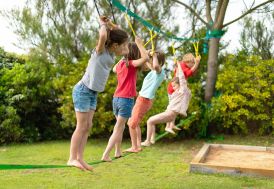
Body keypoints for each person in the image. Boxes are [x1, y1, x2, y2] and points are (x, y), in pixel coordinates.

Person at [67, 16, 129, 171]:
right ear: (115, 44)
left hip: (93, 93)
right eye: (123, 45)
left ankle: (80, 158)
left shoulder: (113, 54)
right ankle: (72, 158)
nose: (125, 48)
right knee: (81, 126)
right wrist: (103, 24)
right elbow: (102, 36)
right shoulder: (100, 51)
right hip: (83, 90)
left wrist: (112, 25)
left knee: (88, 126)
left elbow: (124, 43)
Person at [101, 36, 149, 162]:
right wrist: (140, 44)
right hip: (125, 100)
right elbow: (145, 58)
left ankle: (117, 151)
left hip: (116, 99)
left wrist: (123, 57)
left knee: (120, 127)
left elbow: (113, 68)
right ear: (135, 54)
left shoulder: (121, 64)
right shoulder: (131, 64)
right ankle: (106, 154)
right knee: (118, 128)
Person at [141, 60, 192, 147]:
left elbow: (182, 78)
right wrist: (177, 68)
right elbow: (178, 78)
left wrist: (179, 65)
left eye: (174, 86)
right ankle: (152, 139)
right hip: (170, 114)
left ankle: (147, 141)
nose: (173, 88)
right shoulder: (178, 92)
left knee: (150, 121)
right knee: (151, 121)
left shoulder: (182, 91)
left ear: (180, 85)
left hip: (170, 113)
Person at [125, 50, 166, 153]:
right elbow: (147, 62)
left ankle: (135, 147)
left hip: (144, 100)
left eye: (153, 60)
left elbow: (155, 66)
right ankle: (138, 145)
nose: (151, 63)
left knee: (131, 124)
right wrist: (146, 54)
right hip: (142, 99)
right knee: (135, 123)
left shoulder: (159, 72)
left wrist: (155, 56)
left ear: (159, 62)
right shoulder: (153, 71)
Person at [165, 53, 200, 134]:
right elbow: (189, 73)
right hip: (173, 90)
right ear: (188, 61)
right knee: (171, 108)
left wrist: (196, 63)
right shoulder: (183, 67)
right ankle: (168, 126)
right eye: (193, 63)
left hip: (175, 89)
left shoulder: (182, 65)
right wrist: (197, 63)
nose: (193, 65)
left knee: (175, 108)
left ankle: (172, 125)